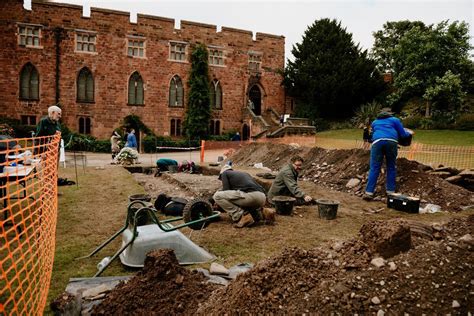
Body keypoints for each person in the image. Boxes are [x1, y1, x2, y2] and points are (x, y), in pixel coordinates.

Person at [363, 107, 413, 201]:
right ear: (390, 113)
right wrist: (409, 133)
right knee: (391, 166)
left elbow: (373, 134)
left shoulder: (375, 122)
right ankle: (390, 192)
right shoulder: (395, 120)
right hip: (391, 143)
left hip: (377, 142)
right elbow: (403, 135)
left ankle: (369, 192)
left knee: (374, 167)